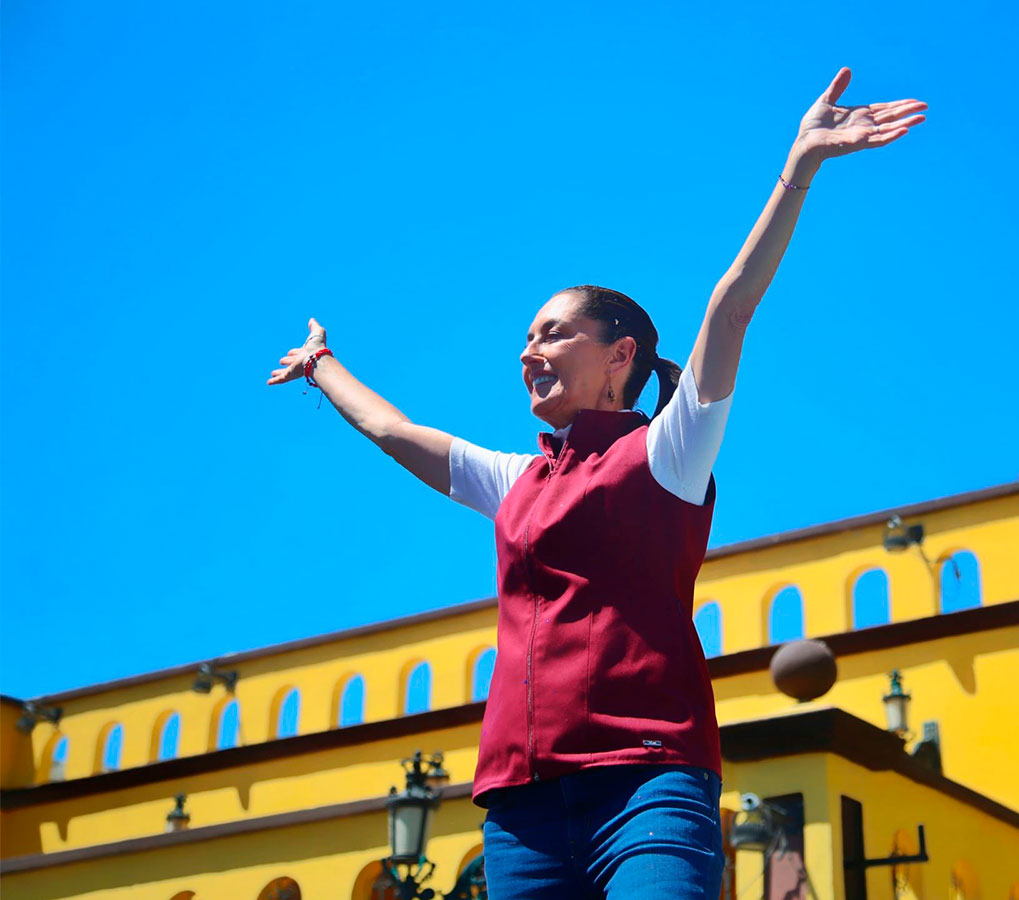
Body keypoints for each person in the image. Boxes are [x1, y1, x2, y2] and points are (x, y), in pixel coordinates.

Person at [268, 67, 925, 900]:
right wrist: (322, 365)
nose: (527, 351)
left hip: (649, 781)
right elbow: (394, 431)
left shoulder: (668, 453)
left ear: (621, 355)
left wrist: (800, 166)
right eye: (524, 339)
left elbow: (730, 310)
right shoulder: (518, 480)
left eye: (553, 332)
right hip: (521, 804)